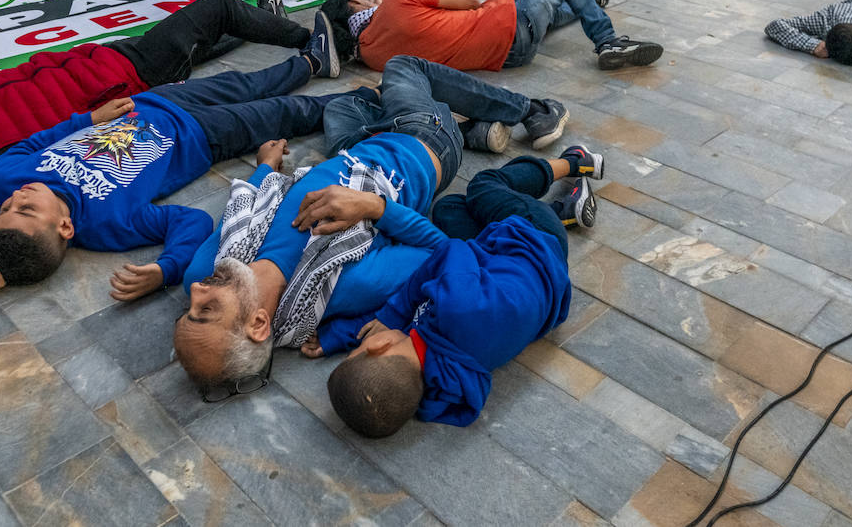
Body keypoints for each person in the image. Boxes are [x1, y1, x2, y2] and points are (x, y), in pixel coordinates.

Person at [169, 55, 574, 390]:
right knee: (404, 65)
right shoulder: (343, 286)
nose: (199, 291)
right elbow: (438, 251)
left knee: (344, 105)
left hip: (353, 148)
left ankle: (470, 127)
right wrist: (373, 207)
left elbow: (243, 206)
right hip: (421, 146)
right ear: (259, 323)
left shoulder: (205, 272)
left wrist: (265, 169)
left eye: (190, 309)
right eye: (206, 310)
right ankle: (529, 112)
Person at [0, 0, 337, 212]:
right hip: (129, 79)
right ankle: (313, 40)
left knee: (199, 40)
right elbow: (74, 138)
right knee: (216, 11)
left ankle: (263, 19)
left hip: (102, 58)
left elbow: (17, 74)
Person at [0, 43, 350, 301]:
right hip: (200, 138)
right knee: (284, 113)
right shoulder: (108, 224)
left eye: (5, 208)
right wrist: (166, 269)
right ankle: (371, 99)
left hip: (154, 102)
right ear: (65, 228)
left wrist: (87, 120)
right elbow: (188, 220)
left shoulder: (0, 182)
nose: (16, 198)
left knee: (245, 83)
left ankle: (312, 60)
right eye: (24, 210)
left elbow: (31, 143)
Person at [317, 151, 593, 436]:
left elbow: (400, 333)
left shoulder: (443, 379)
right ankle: (575, 162)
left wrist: (339, 334)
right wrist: (393, 313)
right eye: (359, 349)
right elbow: (448, 253)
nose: (365, 341)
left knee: (449, 208)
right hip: (537, 239)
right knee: (483, 185)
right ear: (379, 345)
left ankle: (564, 211)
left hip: (515, 278)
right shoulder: (456, 309)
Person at [318, 0, 664, 72]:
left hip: (510, 56)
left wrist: (380, 13)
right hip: (507, 24)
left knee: (530, 3)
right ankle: (608, 41)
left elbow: (419, 34)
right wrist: (387, 3)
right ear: (353, 1)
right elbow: (469, 1)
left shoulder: (371, 58)